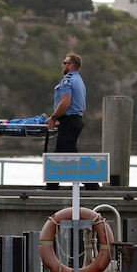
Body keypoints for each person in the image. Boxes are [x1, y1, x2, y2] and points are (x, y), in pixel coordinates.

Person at [46, 53, 89, 189]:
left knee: (61, 154)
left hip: (69, 121)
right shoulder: (79, 81)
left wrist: (53, 117)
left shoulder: (68, 80)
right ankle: (91, 184)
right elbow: (83, 106)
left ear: (71, 66)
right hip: (75, 120)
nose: (62, 65)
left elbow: (65, 103)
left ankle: (51, 188)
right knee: (69, 152)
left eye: (65, 63)